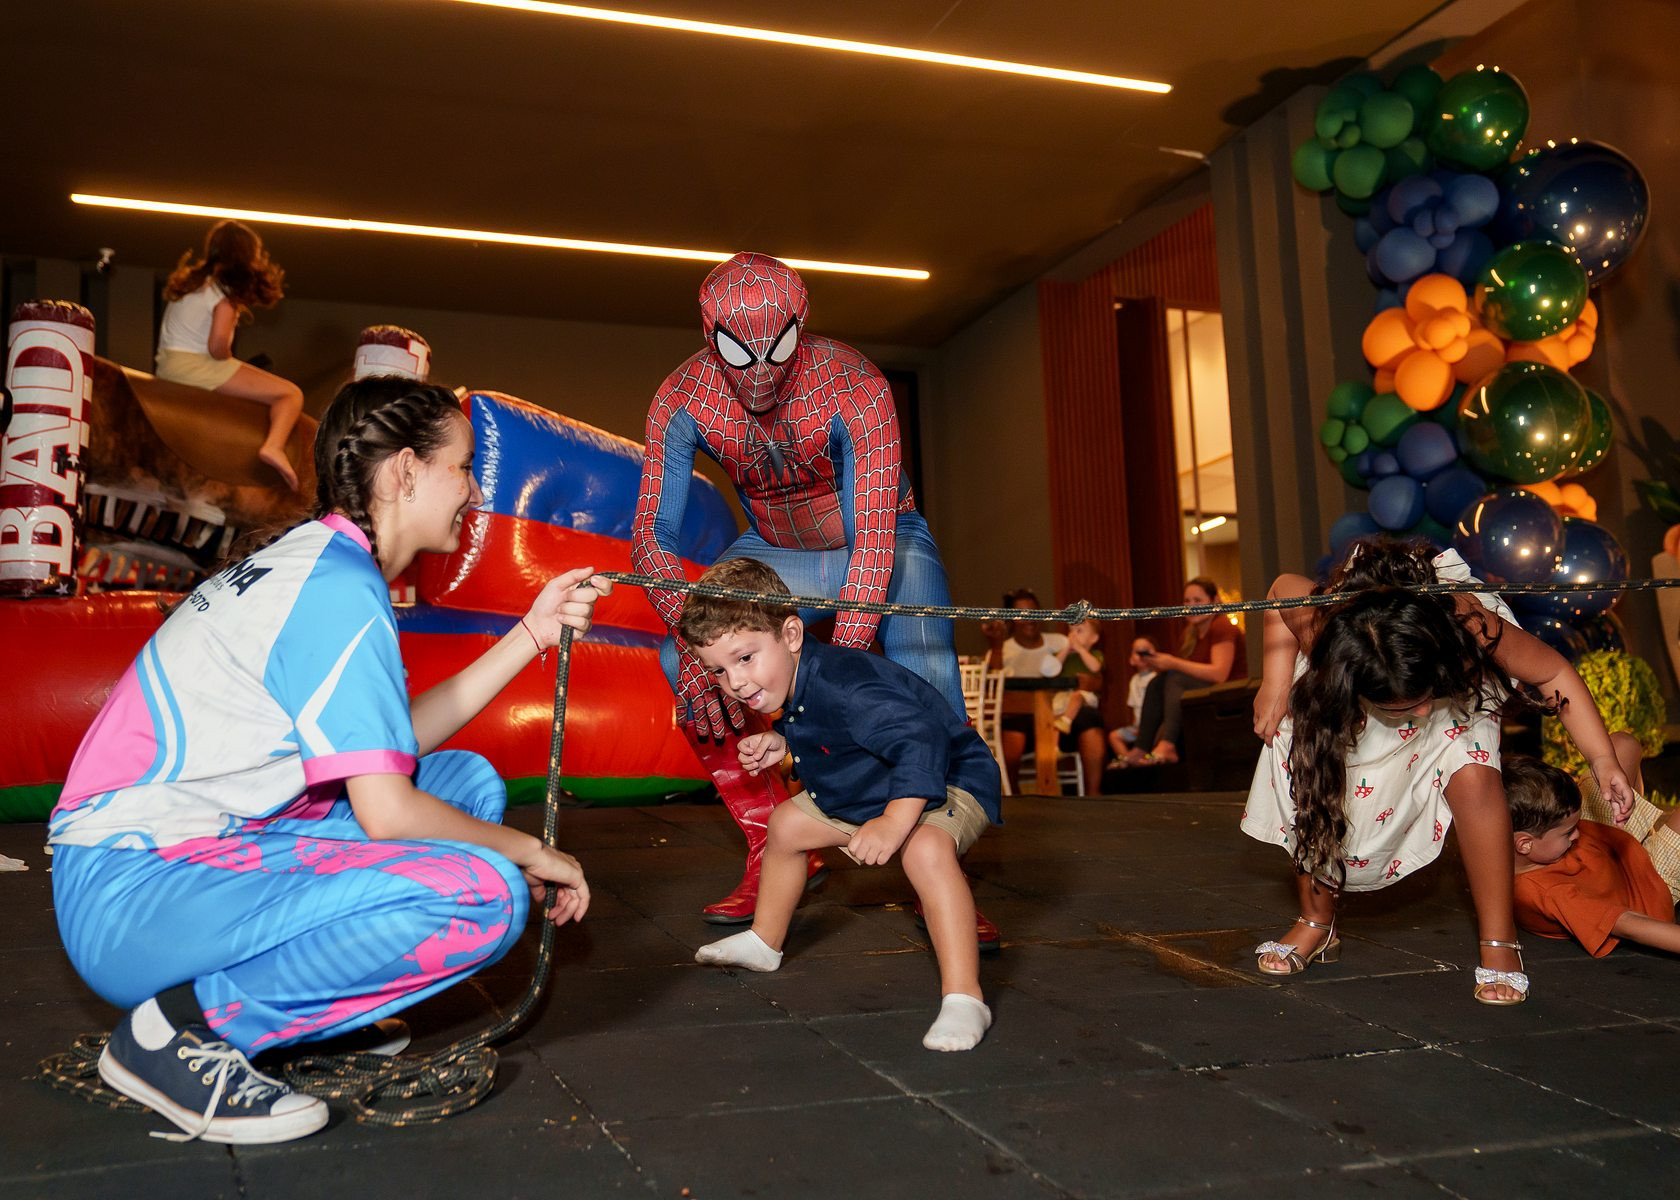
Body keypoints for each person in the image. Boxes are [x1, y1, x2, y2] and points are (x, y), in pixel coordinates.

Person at [48, 377, 606, 1144]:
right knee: (485, 894)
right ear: (405, 472)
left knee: (466, 783)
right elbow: (388, 811)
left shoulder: (324, 563)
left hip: (177, 855)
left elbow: (391, 746)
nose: (474, 490)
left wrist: (533, 632)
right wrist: (533, 852)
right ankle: (178, 1031)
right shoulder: (337, 588)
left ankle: (308, 1002)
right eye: (461, 467)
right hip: (131, 894)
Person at [630, 252, 976, 934]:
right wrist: (695, 647)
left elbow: (872, 541)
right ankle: (774, 841)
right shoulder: (682, 398)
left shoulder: (854, 384)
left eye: (778, 346)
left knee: (925, 662)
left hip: (881, 536)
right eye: (739, 351)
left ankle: (943, 865)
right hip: (775, 550)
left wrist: (834, 673)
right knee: (683, 659)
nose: (760, 371)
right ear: (710, 336)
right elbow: (650, 538)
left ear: (801, 323)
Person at [1241, 537, 1633, 1006]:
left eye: (1422, 698)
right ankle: (1316, 922)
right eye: (1406, 705)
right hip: (1356, 682)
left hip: (1457, 688)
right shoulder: (1323, 627)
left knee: (1474, 775)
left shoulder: (1471, 627)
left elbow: (1553, 674)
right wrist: (1275, 679)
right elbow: (1282, 589)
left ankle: (1499, 941)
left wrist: (1602, 758)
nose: (1422, 711)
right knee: (1303, 752)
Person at [682, 558, 1001, 1051]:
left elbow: (920, 741)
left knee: (925, 851)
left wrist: (894, 821)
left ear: (791, 635)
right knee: (786, 826)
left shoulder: (846, 683)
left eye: (744, 658)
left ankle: (965, 997)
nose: (736, 682)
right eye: (719, 671)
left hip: (948, 775)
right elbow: (831, 729)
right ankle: (765, 941)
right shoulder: (797, 678)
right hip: (874, 779)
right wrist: (782, 744)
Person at [155, 220, 305, 491]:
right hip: (195, 366)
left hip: (167, 365)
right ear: (247, 257)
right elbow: (217, 346)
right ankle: (273, 446)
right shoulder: (223, 295)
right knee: (291, 394)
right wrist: (230, 362)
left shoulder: (193, 283)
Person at [1509, 735, 1680, 956]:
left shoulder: (1537, 842)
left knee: (1624, 744)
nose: (1576, 833)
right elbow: (1629, 924)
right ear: (1524, 844)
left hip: (1604, 839)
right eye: (1569, 832)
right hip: (1647, 886)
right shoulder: (1549, 894)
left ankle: (1633, 817)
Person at [1119, 577, 1245, 767]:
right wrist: (1162, 664)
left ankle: (1168, 744)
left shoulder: (1222, 626)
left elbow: (1219, 674)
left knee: (1175, 678)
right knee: (1158, 682)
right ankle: (1141, 747)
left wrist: (1173, 663)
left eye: (1198, 600)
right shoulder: (1190, 634)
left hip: (1229, 694)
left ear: (1215, 601)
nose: (1191, 606)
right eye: (1187, 601)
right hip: (1201, 694)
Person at [1108, 637, 1159, 761]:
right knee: (1114, 736)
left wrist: (1145, 729)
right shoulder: (1134, 681)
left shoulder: (1156, 678)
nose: (1141, 655)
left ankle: (1148, 759)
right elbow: (1135, 708)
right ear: (1131, 660)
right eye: (1137, 652)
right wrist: (1136, 726)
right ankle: (1129, 761)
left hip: (1154, 727)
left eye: (1145, 651)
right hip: (1138, 726)